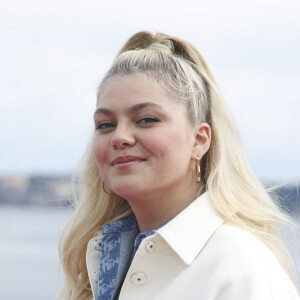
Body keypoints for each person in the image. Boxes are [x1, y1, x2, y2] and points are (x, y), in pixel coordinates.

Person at [59, 31, 299, 300]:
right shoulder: (102, 262)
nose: (119, 137)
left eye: (146, 119)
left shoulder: (238, 266)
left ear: (199, 140)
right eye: (105, 124)